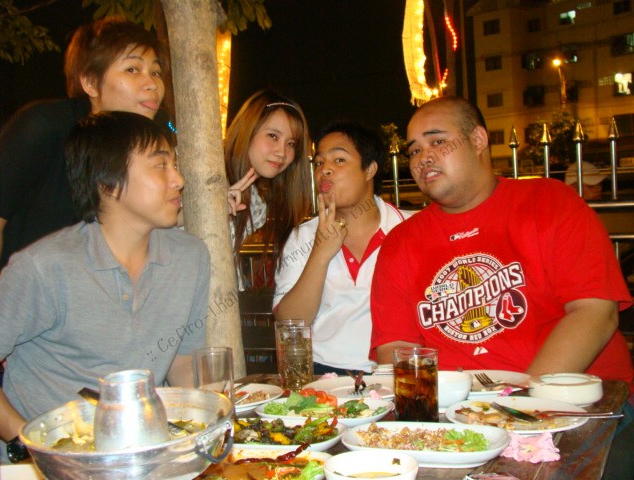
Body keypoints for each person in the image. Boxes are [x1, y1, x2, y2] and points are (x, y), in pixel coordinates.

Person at [370, 96, 633, 387]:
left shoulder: (550, 202)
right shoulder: (401, 243)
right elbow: (396, 347)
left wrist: (524, 399)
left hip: (573, 399)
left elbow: (594, 312)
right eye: (415, 150)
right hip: (454, 407)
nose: (423, 158)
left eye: (438, 142)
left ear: (478, 139)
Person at [0, 111, 209, 463]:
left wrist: (202, 426)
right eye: (160, 165)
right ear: (108, 183)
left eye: (175, 165)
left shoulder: (191, 257)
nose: (179, 179)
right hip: (50, 465)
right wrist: (26, 442)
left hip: (145, 456)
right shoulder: (44, 267)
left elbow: (183, 358)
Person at [0, 17, 169, 276]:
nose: (152, 84)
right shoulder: (43, 128)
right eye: (132, 69)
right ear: (90, 81)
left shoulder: (150, 145)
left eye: (155, 72)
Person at [273, 120, 411, 374]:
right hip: (322, 374)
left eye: (339, 160)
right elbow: (290, 323)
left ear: (370, 170)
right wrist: (320, 254)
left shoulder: (409, 228)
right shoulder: (303, 236)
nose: (325, 170)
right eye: (319, 163)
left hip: (395, 371)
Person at [225, 90, 312, 284]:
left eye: (291, 144)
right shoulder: (201, 175)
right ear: (247, 130)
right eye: (273, 136)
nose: (282, 152)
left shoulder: (256, 204)